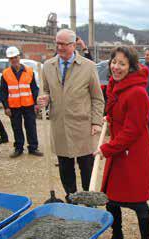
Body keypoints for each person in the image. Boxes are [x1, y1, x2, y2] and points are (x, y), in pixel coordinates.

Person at [94, 46, 149, 239]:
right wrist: (109, 118)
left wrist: (106, 148)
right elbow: (119, 116)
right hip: (119, 151)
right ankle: (117, 236)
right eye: (114, 62)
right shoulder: (114, 85)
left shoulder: (137, 92)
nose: (116, 67)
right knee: (111, 200)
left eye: (122, 63)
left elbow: (132, 130)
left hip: (133, 153)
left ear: (131, 67)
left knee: (138, 201)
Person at [38, 29, 104, 203]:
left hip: (82, 125)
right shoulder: (48, 66)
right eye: (57, 43)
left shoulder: (88, 67)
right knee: (65, 167)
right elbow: (44, 89)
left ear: (74, 45)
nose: (59, 47)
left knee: (86, 166)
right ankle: (71, 198)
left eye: (64, 44)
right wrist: (43, 98)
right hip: (59, 125)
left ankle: (88, 199)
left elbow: (97, 97)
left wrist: (96, 122)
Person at [0, 46, 43, 158]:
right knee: (16, 127)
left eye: (15, 57)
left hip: (28, 104)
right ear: (9, 59)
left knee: (31, 126)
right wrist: (6, 107)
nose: (14, 59)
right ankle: (18, 148)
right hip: (14, 106)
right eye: (11, 58)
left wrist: (35, 103)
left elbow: (34, 88)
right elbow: (3, 91)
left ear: (19, 57)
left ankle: (33, 147)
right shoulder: (5, 73)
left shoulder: (29, 71)